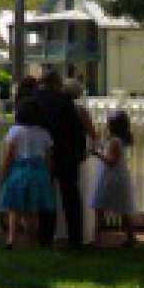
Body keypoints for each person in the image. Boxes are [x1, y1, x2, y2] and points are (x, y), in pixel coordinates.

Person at [37, 70, 88, 248]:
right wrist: (81, 149)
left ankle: (45, 236)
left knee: (46, 196)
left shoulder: (35, 100)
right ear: (55, 83)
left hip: (43, 153)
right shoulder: (63, 100)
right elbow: (76, 128)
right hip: (66, 153)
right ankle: (75, 238)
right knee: (71, 197)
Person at [0, 97, 56, 249]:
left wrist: (3, 172)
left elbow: (9, 154)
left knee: (13, 207)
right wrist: (49, 176)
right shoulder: (44, 133)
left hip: (19, 171)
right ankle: (32, 240)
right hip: (38, 172)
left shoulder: (15, 131)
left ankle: (11, 239)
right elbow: (49, 158)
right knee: (33, 210)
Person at [91, 110, 137, 247]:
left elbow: (111, 162)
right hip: (118, 177)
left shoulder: (115, 142)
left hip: (110, 178)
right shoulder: (119, 141)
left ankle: (98, 238)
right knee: (123, 209)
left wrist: (96, 153)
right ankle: (130, 237)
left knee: (99, 208)